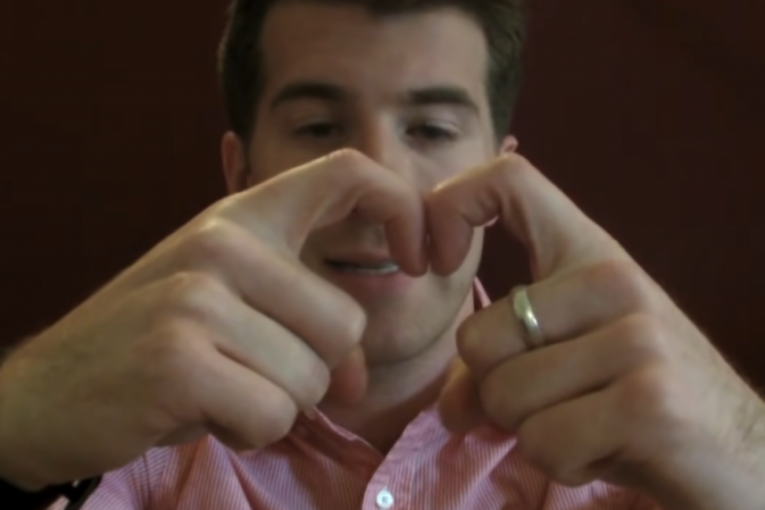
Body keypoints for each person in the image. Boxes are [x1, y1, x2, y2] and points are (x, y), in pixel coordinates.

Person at [0, 0, 763, 508]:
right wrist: (17, 424)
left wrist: (742, 450)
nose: (379, 191)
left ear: (503, 174)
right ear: (242, 175)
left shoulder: (639, 460)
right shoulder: (128, 442)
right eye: (319, 129)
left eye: (429, 130)